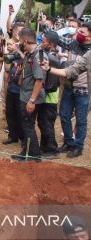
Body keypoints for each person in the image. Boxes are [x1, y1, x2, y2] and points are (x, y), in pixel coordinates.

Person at [11, 28, 48, 162]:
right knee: (26, 125)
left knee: (28, 126)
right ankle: (25, 152)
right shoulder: (29, 54)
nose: (19, 44)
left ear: (25, 41)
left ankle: (34, 155)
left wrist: (32, 100)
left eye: (20, 42)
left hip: (31, 98)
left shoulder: (39, 55)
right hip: (25, 95)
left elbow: (39, 80)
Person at [56, 22, 91, 158]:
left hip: (84, 89)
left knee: (81, 120)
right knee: (64, 115)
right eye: (78, 31)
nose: (79, 34)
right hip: (69, 86)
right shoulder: (74, 43)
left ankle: (78, 147)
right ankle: (69, 143)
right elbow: (55, 36)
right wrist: (65, 29)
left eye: (82, 33)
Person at [37, 31, 61, 158]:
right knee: (42, 122)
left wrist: (41, 90)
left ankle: (52, 149)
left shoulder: (53, 59)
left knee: (47, 123)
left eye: (44, 41)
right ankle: (44, 146)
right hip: (44, 96)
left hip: (49, 98)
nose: (41, 43)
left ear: (50, 44)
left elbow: (51, 84)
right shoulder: (46, 56)